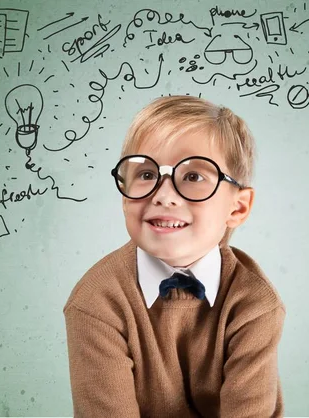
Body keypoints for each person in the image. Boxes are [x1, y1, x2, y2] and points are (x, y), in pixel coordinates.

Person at [63, 95, 286, 417]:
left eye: (194, 176)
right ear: (124, 197)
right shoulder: (96, 301)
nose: (164, 195)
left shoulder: (254, 303)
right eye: (147, 175)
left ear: (237, 207)